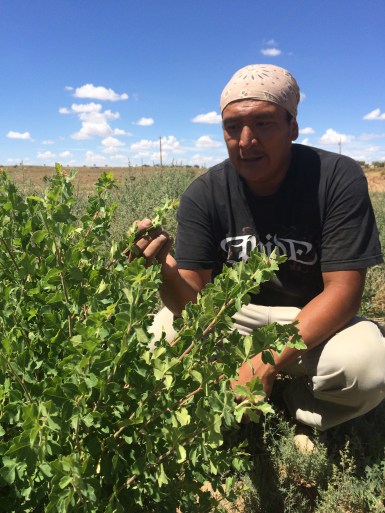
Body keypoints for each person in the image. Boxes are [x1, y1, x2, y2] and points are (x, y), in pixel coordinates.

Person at [134, 64, 385, 432]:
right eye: (232, 126)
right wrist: (163, 270)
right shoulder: (205, 193)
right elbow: (192, 304)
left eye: (264, 123)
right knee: (157, 341)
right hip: (230, 316)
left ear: (292, 127)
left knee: (368, 369)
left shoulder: (335, 177)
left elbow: (344, 292)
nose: (246, 140)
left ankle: (300, 407)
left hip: (311, 317)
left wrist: (266, 358)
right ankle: (217, 405)